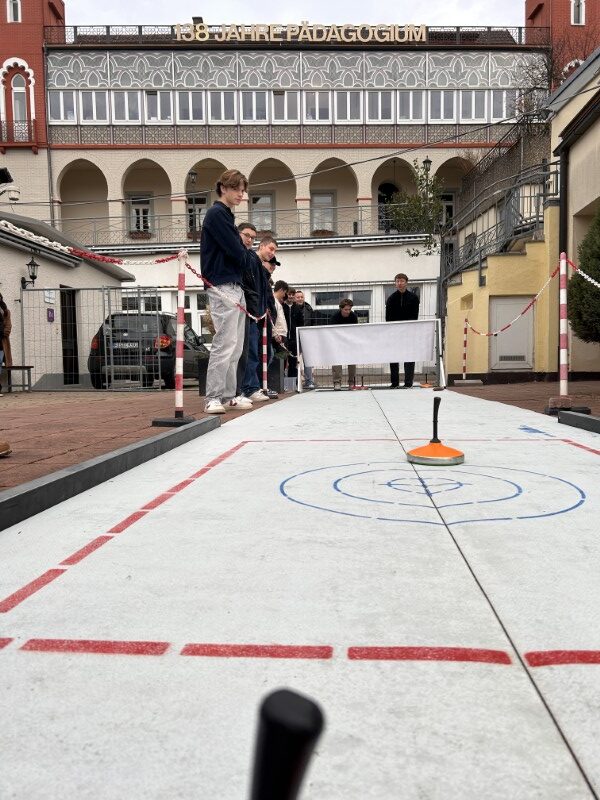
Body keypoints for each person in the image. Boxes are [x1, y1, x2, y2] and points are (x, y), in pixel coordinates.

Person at [200, 169, 254, 414]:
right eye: (236, 189)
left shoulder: (226, 215)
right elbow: (236, 252)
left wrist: (242, 253)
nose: (241, 194)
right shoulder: (217, 214)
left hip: (234, 286)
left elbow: (238, 252)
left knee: (236, 346)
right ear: (223, 188)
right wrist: (243, 254)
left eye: (242, 190)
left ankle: (229, 395)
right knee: (224, 343)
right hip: (222, 285)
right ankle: (213, 397)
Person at [241, 235, 278, 402]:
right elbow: (251, 290)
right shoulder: (251, 261)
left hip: (258, 317)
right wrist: (255, 311)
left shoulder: (261, 270)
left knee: (257, 354)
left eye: (275, 250)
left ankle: (253, 387)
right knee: (251, 354)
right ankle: (248, 388)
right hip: (251, 315)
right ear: (261, 246)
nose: (272, 253)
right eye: (271, 248)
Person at [235, 222, 259, 397]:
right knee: (241, 351)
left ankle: (246, 388)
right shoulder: (237, 253)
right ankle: (241, 390)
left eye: (253, 238)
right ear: (238, 233)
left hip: (250, 308)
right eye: (247, 235)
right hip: (240, 304)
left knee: (250, 352)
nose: (250, 240)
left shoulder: (251, 256)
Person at [385, 272, 420, 389]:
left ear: (406, 283)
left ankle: (408, 382)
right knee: (393, 356)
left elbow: (414, 316)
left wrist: (407, 328)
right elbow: (388, 317)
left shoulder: (413, 298)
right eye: (397, 281)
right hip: (394, 332)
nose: (400, 283)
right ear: (395, 283)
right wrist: (392, 330)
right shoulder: (391, 299)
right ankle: (394, 382)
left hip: (409, 332)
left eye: (402, 281)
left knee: (409, 356)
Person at [330, 299, 358, 390]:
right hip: (337, 342)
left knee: (352, 362)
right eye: (346, 309)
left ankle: (351, 382)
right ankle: (337, 382)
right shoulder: (335, 317)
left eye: (349, 309)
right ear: (341, 308)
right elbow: (332, 332)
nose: (348, 311)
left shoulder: (353, 316)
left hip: (350, 342)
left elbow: (355, 330)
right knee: (337, 362)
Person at [294, 290, 316, 389]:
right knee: (294, 359)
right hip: (295, 336)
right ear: (295, 298)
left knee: (308, 359)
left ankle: (309, 381)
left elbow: (313, 322)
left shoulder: (308, 308)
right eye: (298, 297)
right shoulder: (292, 308)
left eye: (301, 297)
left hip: (307, 336)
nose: (300, 299)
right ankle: (295, 381)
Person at [0, 293, 11, 397]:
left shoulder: (5, 310)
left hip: (1, 340)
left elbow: (8, 325)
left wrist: (5, 332)